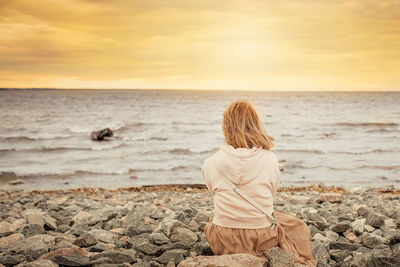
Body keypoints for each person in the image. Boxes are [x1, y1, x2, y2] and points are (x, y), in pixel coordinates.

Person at [202, 100, 317, 266]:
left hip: (224, 238)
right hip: (262, 237)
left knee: (215, 217)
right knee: (295, 225)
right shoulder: (270, 159)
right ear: (255, 124)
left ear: (226, 127)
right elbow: (272, 191)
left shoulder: (211, 162)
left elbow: (214, 191)